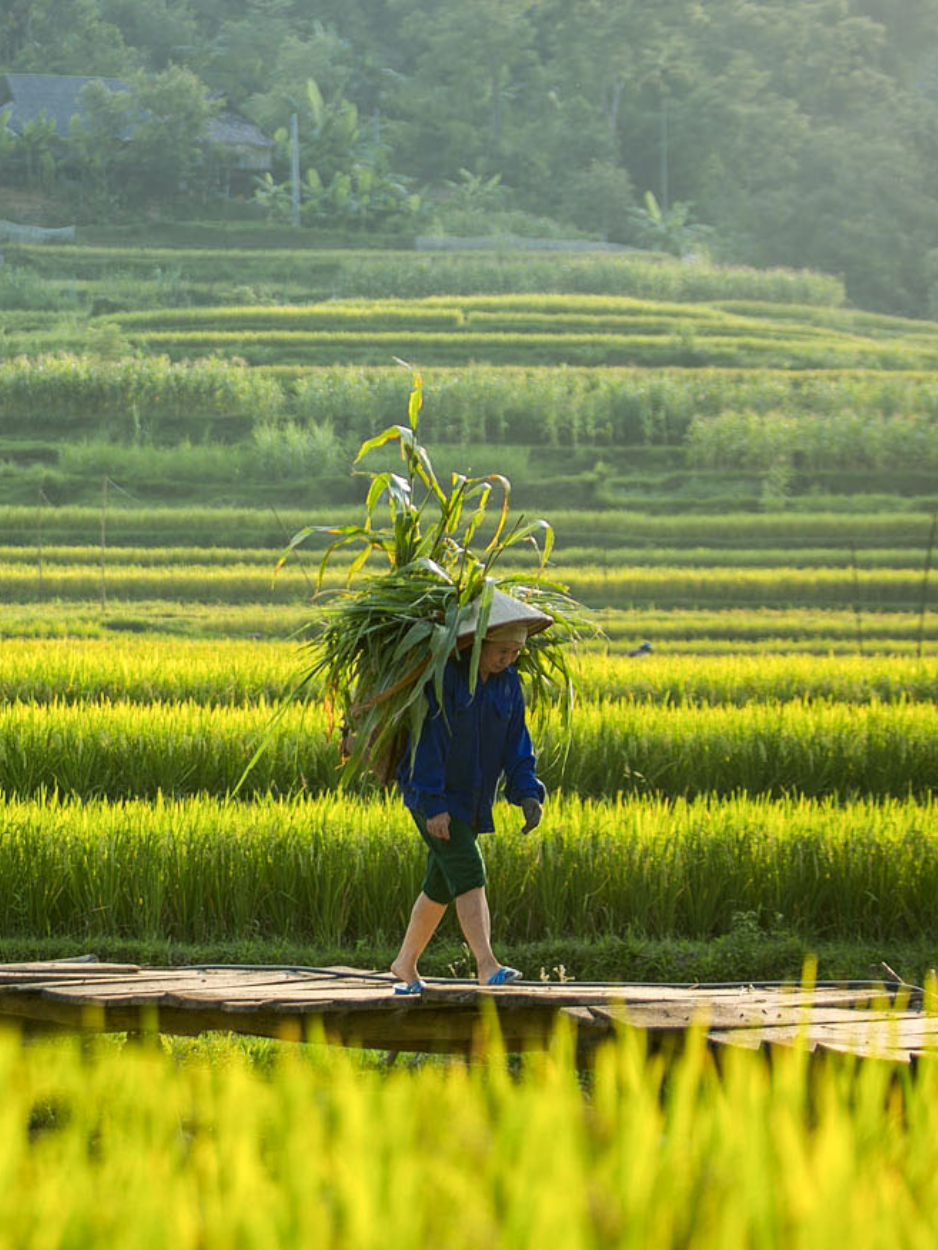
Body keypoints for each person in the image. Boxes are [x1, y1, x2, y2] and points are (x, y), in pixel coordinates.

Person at [390, 619, 546, 994]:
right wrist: (434, 804)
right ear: (478, 646)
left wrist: (527, 792)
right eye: (500, 652)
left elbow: (517, 744)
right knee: (469, 869)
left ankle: (404, 963)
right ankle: (487, 964)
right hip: (435, 797)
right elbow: (427, 743)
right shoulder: (448, 680)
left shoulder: (509, 686)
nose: (507, 660)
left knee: (440, 885)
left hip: (474, 801)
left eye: (514, 654)